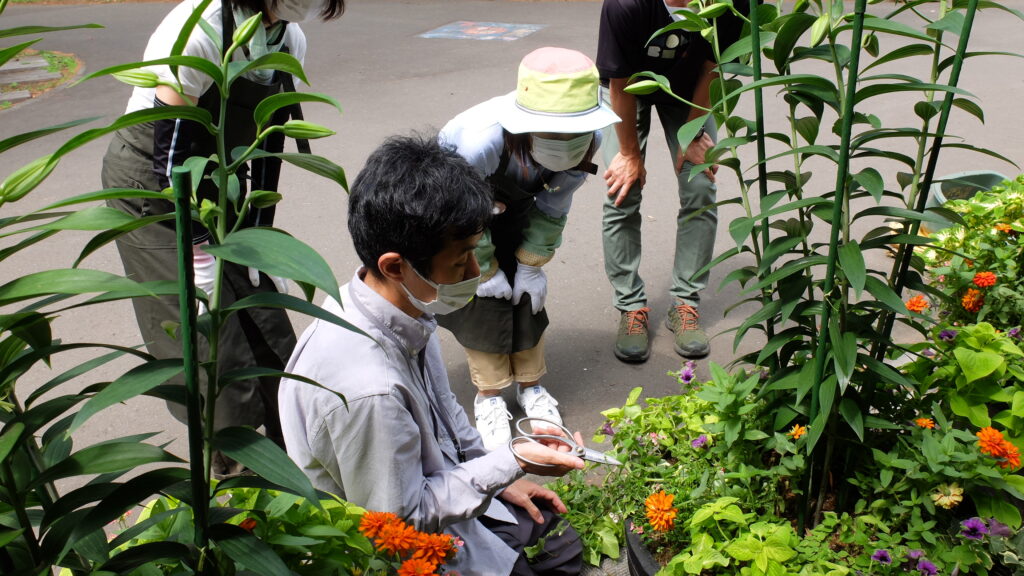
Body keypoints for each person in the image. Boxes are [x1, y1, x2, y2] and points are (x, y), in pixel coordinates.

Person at [278, 134, 586, 576]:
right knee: (556, 563)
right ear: (394, 265)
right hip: (405, 548)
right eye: (462, 260)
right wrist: (512, 460)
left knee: (556, 537)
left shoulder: (389, 303)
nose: (476, 273)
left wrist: (499, 481)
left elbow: (449, 418)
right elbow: (396, 525)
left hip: (436, 494)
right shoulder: (371, 393)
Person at [100, 0, 345, 476]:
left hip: (222, 183)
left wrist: (260, 227)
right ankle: (236, 482)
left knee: (263, 314)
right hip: (154, 185)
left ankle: (299, 457)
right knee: (207, 332)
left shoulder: (288, 37)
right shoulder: (202, 27)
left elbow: (271, 136)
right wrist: (196, 247)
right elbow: (171, 146)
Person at [437, 47, 620, 450]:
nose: (566, 142)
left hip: (518, 206)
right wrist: (483, 268)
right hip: (458, 210)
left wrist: (531, 264)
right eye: (553, 133)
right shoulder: (478, 140)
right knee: (480, 306)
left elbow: (555, 203)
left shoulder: (595, 135)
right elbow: (454, 213)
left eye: (575, 133)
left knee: (526, 300)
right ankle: (489, 395)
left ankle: (531, 388)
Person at [597, 0, 745, 363]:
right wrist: (630, 155)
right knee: (623, 189)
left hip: (691, 88)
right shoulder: (627, 5)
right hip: (629, 90)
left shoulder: (730, 3)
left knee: (700, 185)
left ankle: (685, 302)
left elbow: (713, 68)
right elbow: (620, 84)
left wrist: (692, 135)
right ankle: (631, 307)